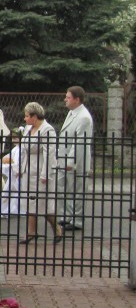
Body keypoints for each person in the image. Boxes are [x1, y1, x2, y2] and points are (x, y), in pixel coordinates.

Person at [18, 102, 62, 246]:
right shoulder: (28, 128)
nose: (25, 119)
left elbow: (49, 154)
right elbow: (23, 149)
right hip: (28, 171)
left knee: (43, 204)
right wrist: (19, 168)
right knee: (30, 202)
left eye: (27, 116)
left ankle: (57, 228)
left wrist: (45, 175)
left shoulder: (47, 130)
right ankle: (32, 232)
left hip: (41, 172)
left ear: (35, 116)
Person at [58, 86, 94, 232]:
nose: (65, 99)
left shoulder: (84, 117)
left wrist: (70, 162)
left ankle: (77, 220)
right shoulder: (72, 112)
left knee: (77, 191)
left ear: (77, 99)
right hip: (65, 158)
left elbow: (79, 142)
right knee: (65, 189)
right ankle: (67, 216)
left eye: (68, 97)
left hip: (76, 162)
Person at [0, 128, 24, 216]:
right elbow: (10, 157)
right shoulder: (16, 148)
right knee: (11, 191)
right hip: (14, 172)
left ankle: (11, 209)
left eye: (15, 138)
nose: (13, 140)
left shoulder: (22, 149)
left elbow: (19, 162)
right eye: (12, 138)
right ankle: (6, 208)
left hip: (18, 173)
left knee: (15, 191)